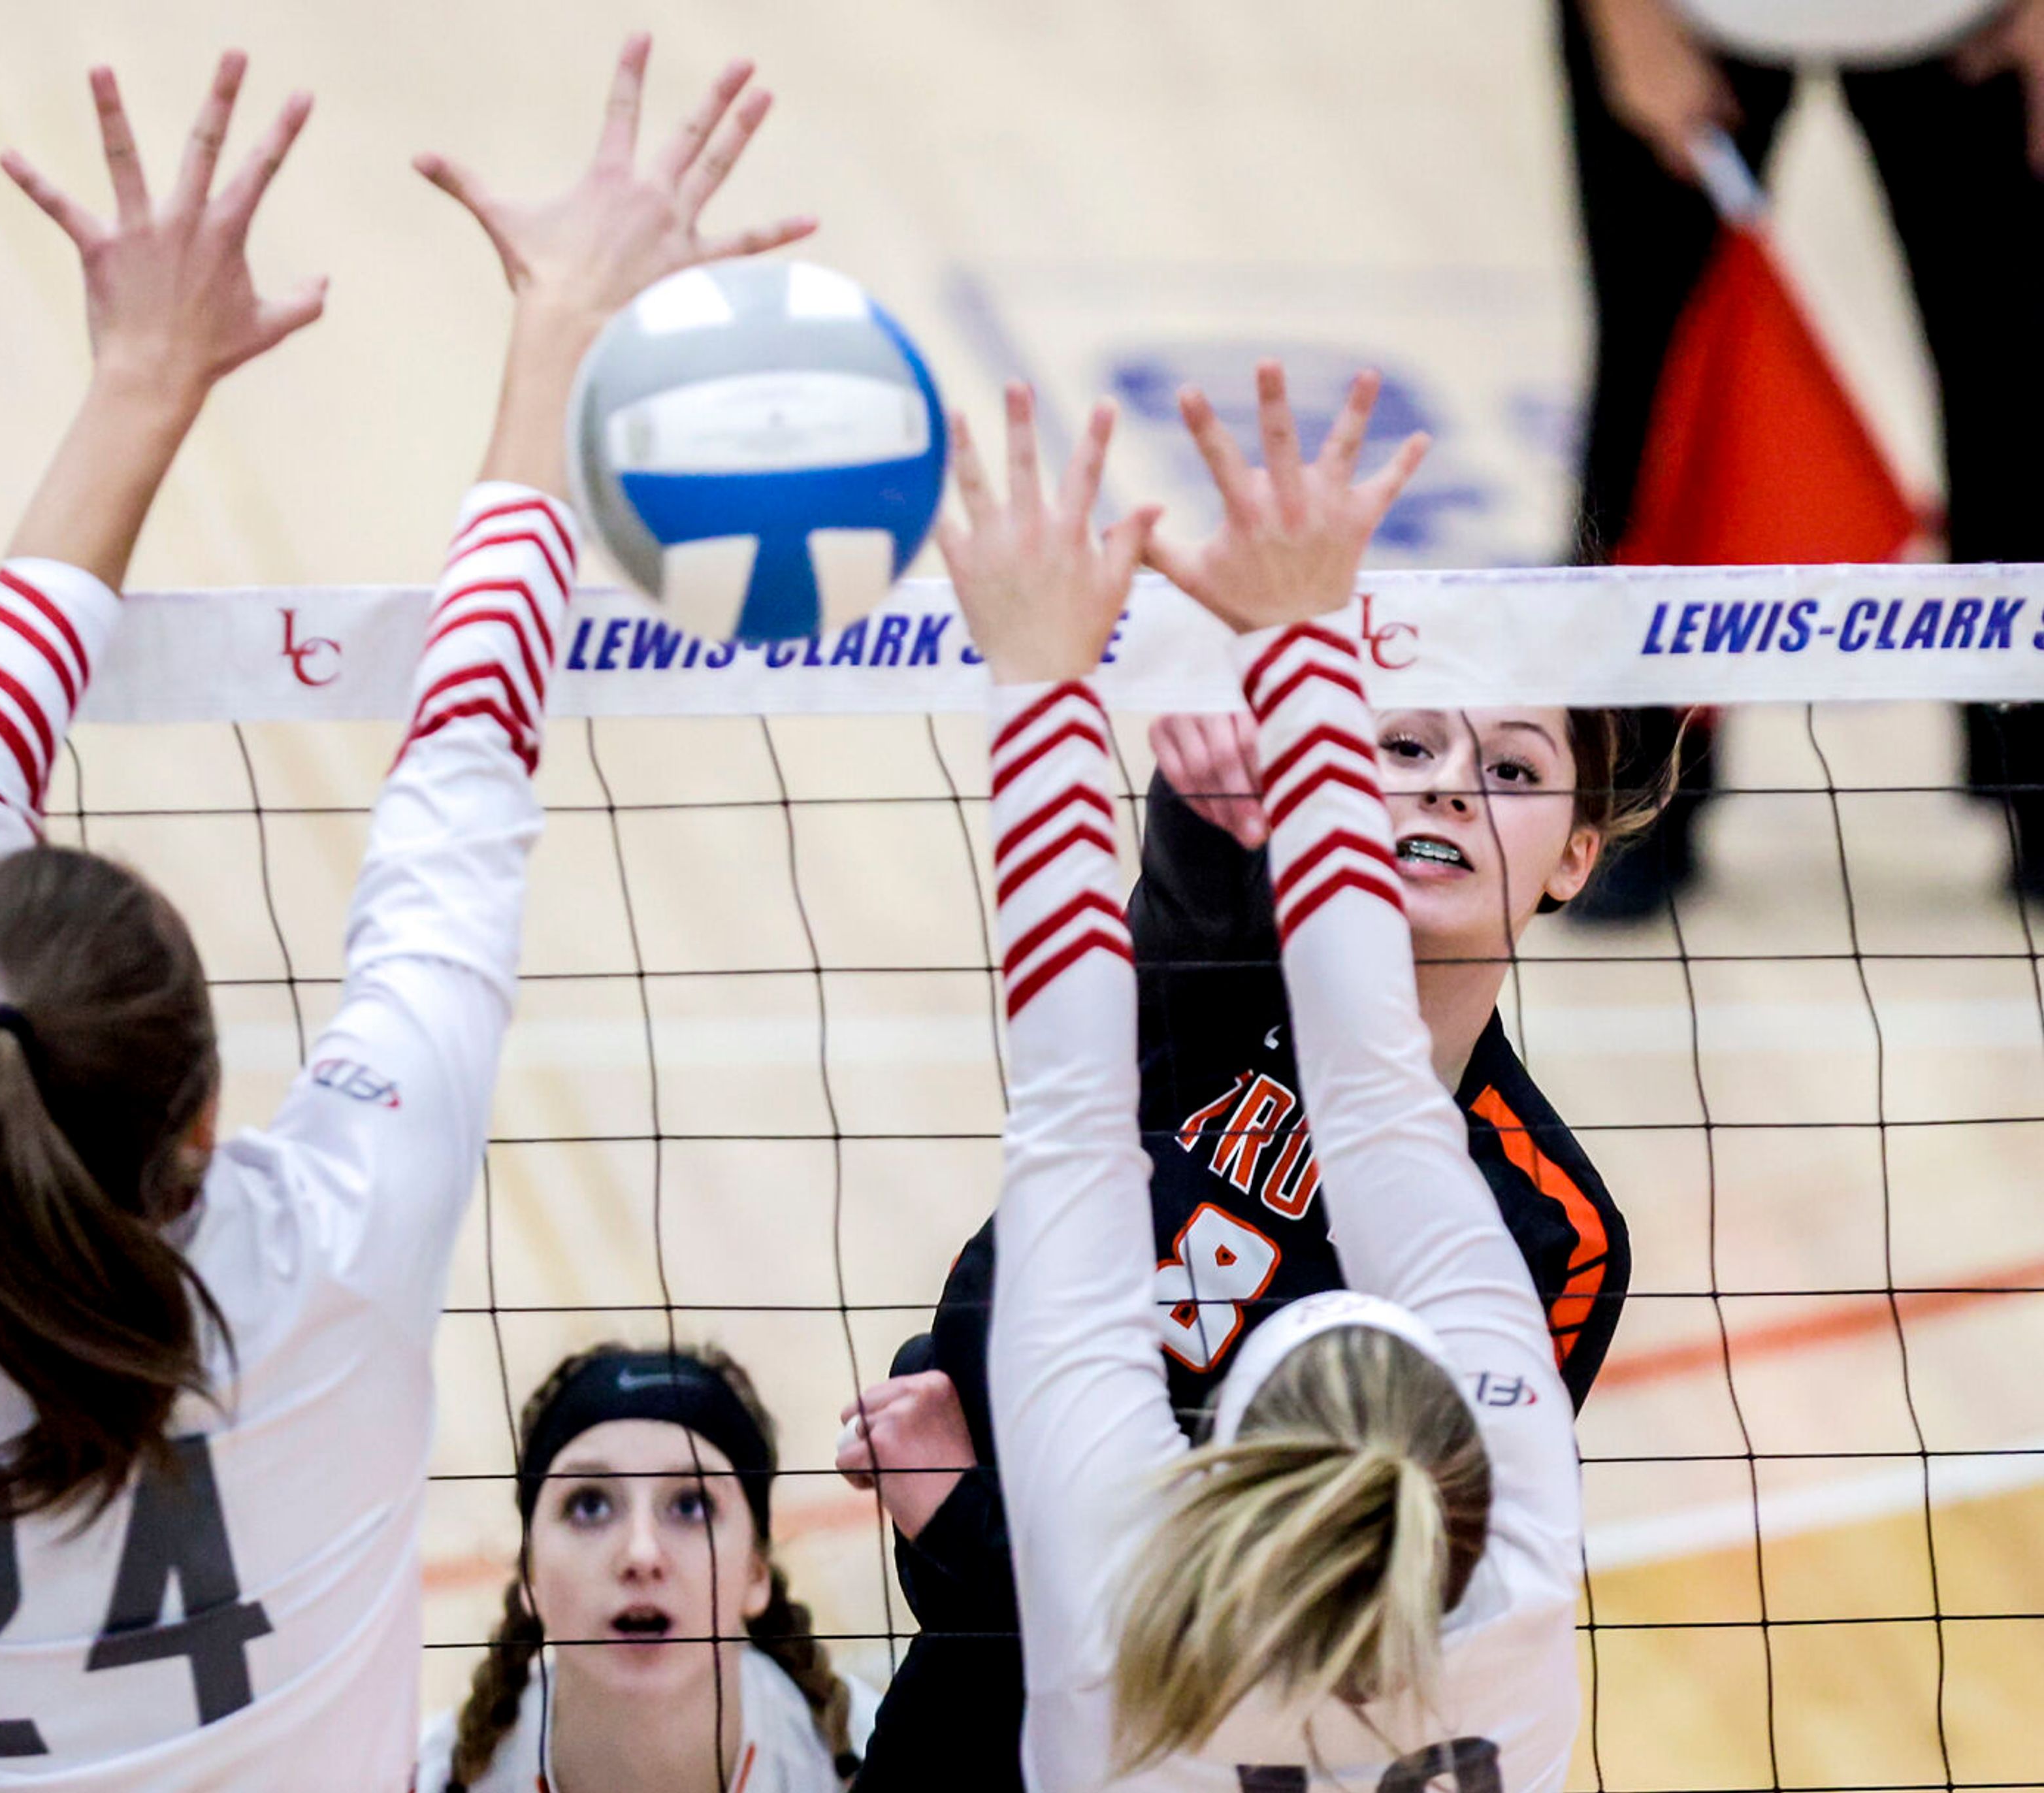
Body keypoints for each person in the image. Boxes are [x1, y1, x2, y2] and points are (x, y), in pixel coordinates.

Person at [0, 39, 809, 1792]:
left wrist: (141, 380)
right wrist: (557, 330)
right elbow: (459, 782)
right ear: (200, 1114)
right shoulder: (320, 1256)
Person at [844, 379, 1644, 1791]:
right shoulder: (1221, 990)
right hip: (980, 1697)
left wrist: (968, 1527)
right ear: (1336, 774)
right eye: (1402, 746)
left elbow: (1392, 1594)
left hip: (1135, 1688)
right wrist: (1208, 827)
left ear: (1579, 854)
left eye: (1512, 767)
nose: (1449, 787)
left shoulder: (1556, 1230)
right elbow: (993, 1308)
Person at [1563, 0, 2044, 912]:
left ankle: (2038, 783)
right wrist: (1628, 25)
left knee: (2021, 394)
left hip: (1976, 26)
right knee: (1656, 395)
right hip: (1689, 18)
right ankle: (1629, 802)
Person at [420, 1345, 879, 1793]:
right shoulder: (431, 1777)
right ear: (530, 1575)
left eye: (691, 1505)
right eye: (590, 1506)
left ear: (756, 1573)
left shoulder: (880, 1755)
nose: (641, 1554)